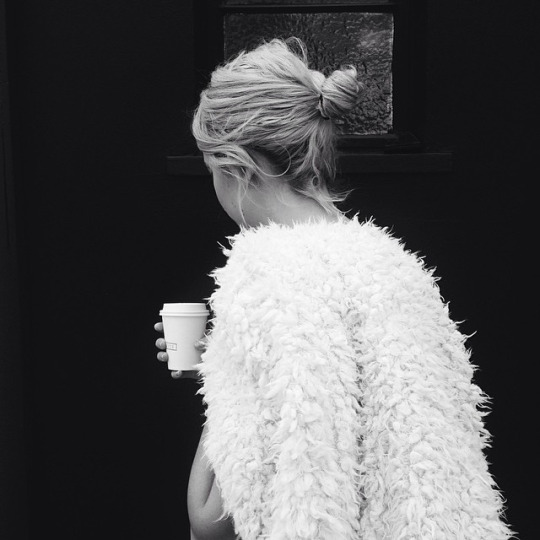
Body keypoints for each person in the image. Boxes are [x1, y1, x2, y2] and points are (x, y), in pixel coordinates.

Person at [155, 38, 516, 540]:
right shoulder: (390, 262)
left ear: (236, 163)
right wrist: (220, 369)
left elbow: (212, 519)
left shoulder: (262, 276)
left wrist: (226, 377)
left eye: (210, 166)